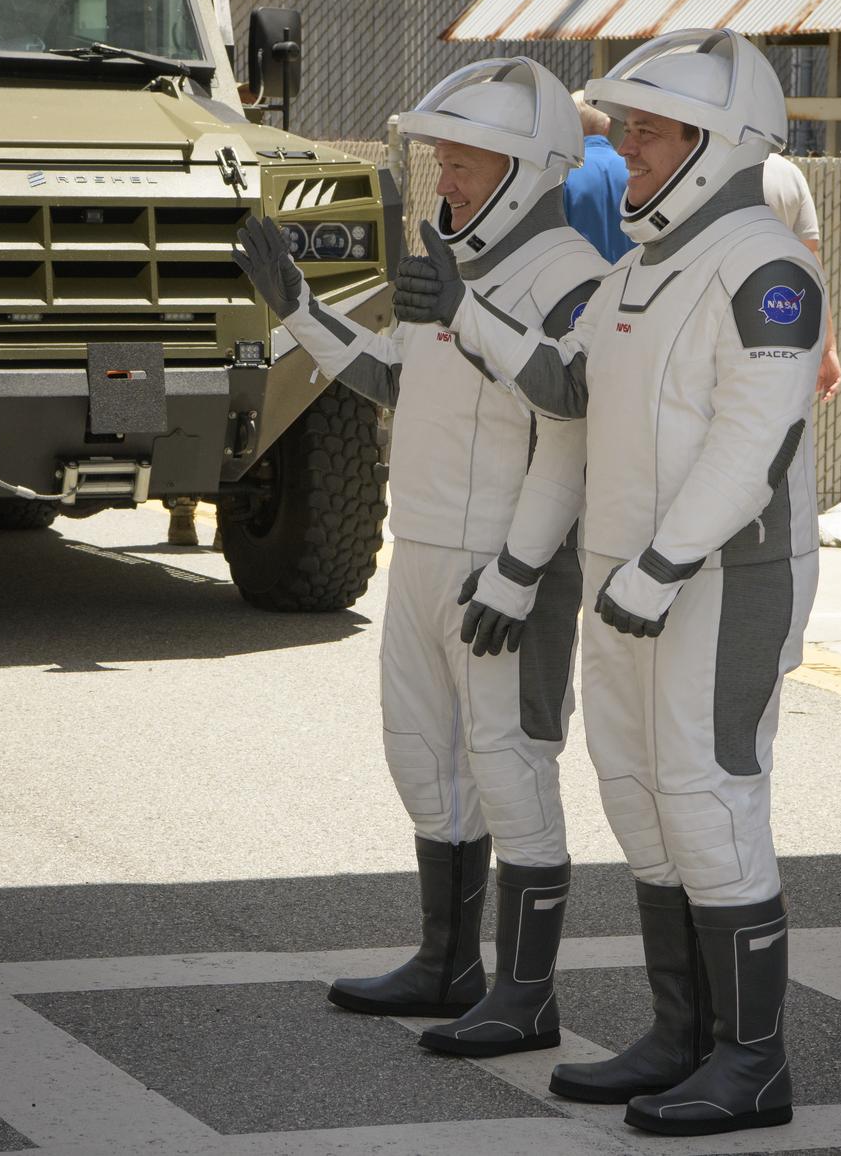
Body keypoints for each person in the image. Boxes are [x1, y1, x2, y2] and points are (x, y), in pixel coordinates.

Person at [393, 27, 825, 1136]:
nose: (622, 147)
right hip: (626, 582)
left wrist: (671, 557)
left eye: (645, 131)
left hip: (722, 580)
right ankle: (679, 1038)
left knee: (707, 797)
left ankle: (753, 1062)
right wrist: (464, 309)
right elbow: (564, 400)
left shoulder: (766, 268)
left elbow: (754, 435)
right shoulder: (638, 267)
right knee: (638, 796)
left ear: (716, 142)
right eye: (624, 127)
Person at [233, 56, 609, 1058]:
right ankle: (447, 965)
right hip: (424, 554)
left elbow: (567, 416)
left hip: (503, 570)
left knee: (510, 766)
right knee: (423, 759)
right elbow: (397, 375)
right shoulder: (451, 269)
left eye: (463, 163)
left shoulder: (572, 276)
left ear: (527, 169)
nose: (442, 181)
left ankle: (525, 995)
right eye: (440, 160)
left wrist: (522, 569)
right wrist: (300, 310)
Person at [764, 152, 841, 402]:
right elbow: (810, 261)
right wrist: (827, 346)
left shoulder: (702, 164)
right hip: (778, 323)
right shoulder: (788, 174)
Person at [563, 90, 634, 263]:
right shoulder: (635, 170)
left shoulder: (562, 174)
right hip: (629, 280)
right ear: (607, 125)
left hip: (579, 281)